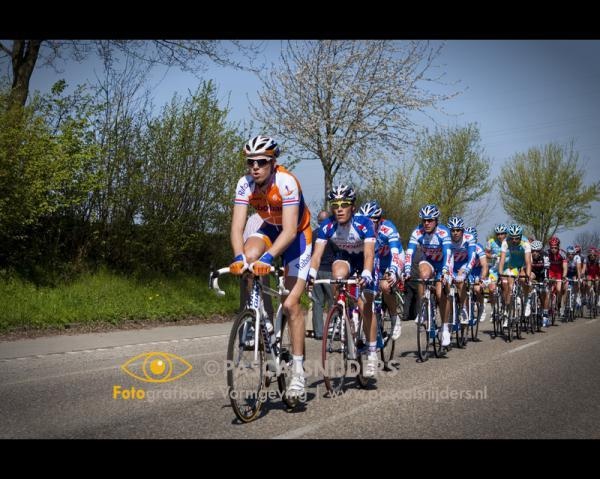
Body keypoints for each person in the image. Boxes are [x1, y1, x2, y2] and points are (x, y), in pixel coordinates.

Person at [230, 135, 312, 398]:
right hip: (270, 228)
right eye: (250, 162)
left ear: (273, 162)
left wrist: (269, 258)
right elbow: (237, 227)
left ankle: (298, 373)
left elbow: (288, 231)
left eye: (261, 162)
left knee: (290, 304)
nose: (255, 167)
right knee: (248, 258)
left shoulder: (287, 182)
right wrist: (238, 256)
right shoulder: (245, 184)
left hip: (297, 235)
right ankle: (255, 318)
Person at [308, 184, 378, 377]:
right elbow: (316, 255)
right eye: (335, 204)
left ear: (352, 207)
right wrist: (311, 274)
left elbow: (370, 254)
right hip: (345, 259)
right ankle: (342, 310)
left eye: (344, 204)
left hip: (364, 261)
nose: (339, 208)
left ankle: (372, 352)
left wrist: (366, 273)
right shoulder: (327, 225)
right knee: (338, 275)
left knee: (365, 306)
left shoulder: (364, 224)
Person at [404, 204, 453, 347]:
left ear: (436, 220)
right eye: (424, 220)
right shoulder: (418, 232)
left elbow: (448, 253)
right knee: (422, 275)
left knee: (439, 293)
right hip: (429, 262)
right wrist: (406, 269)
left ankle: (444, 328)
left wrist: (445, 272)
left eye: (430, 220)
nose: (426, 223)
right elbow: (409, 252)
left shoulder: (443, 232)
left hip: (444, 263)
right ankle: (424, 306)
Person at [358, 200, 405, 340]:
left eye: (371, 221)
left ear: (378, 220)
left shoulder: (388, 228)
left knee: (385, 286)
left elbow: (396, 252)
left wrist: (394, 271)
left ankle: (394, 317)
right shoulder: (360, 229)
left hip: (391, 260)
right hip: (374, 262)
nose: (366, 224)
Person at [239, 212, 274, 319]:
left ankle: (247, 330)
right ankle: (262, 328)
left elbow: (244, 243)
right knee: (264, 306)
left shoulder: (252, 219)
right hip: (260, 265)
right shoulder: (265, 219)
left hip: (248, 265)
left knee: (247, 303)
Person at [498, 224, 532, 327]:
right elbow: (502, 260)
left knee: (523, 279)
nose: (514, 240)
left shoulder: (525, 243)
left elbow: (528, 262)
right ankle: (508, 313)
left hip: (523, 264)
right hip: (513, 264)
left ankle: (526, 302)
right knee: (509, 285)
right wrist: (500, 274)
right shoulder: (505, 242)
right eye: (512, 238)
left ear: (520, 236)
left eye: (516, 238)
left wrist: (527, 276)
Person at [310, 210, 336, 340]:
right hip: (329, 270)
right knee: (333, 300)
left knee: (317, 302)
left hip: (315, 271)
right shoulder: (331, 234)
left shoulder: (313, 234)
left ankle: (319, 332)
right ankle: (331, 328)